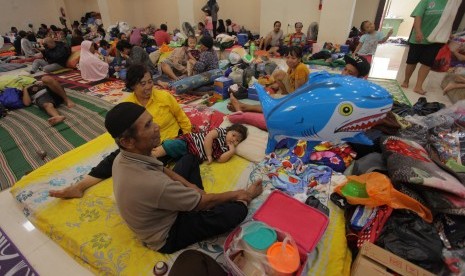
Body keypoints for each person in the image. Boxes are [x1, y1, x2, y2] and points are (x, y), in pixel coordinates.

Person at [106, 102, 263, 253]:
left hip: (162, 201)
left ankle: (191, 197)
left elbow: (162, 170)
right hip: (167, 233)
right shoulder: (153, 184)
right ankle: (239, 200)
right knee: (236, 211)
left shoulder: (125, 156)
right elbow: (203, 202)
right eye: (147, 125)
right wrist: (241, 194)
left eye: (152, 121)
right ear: (127, 141)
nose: (157, 127)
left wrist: (191, 187)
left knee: (190, 157)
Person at [49, 64, 192, 199]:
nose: (148, 87)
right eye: (142, 84)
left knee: (149, 164)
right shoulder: (127, 105)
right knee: (116, 158)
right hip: (142, 143)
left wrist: (187, 139)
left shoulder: (164, 97)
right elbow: (125, 132)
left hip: (168, 140)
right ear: (132, 86)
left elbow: (182, 118)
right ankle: (79, 186)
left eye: (150, 82)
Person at [228, 54, 370, 113]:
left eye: (350, 73)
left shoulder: (355, 94)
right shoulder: (292, 68)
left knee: (282, 108)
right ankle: (245, 107)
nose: (344, 73)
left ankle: (245, 108)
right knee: (281, 101)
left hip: (312, 107)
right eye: (344, 69)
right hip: (307, 97)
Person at [401, 0, 453, 95]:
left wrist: (447, 33)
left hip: (436, 39)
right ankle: (406, 80)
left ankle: (418, 86)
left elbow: (449, 21)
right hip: (419, 37)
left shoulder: (451, 3)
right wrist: (418, 31)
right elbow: (418, 17)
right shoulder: (425, 1)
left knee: (427, 62)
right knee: (412, 61)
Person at [153, 123, 248, 164]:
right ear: (228, 130)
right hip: (190, 143)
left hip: (192, 155)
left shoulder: (226, 149)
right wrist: (209, 155)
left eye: (237, 141)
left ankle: (155, 158)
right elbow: (208, 137)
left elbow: (220, 159)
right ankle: (151, 154)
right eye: (233, 135)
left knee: (168, 158)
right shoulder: (222, 132)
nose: (233, 140)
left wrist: (232, 151)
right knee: (172, 146)